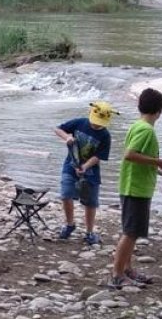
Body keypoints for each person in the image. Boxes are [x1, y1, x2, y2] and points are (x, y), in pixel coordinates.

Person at [108, 88, 162, 290]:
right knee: (131, 232)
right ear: (160, 110)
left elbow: (137, 159)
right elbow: (130, 155)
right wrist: (160, 161)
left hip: (132, 185)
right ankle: (116, 275)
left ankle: (127, 269)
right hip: (136, 189)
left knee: (130, 231)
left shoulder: (137, 126)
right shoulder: (146, 130)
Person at [55, 101, 115, 245]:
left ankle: (89, 232)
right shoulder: (79, 123)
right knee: (66, 194)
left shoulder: (105, 135)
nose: (96, 125)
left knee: (91, 202)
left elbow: (99, 156)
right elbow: (58, 129)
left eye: (100, 124)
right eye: (95, 122)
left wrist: (85, 166)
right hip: (70, 165)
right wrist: (67, 137)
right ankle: (70, 225)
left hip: (91, 171)